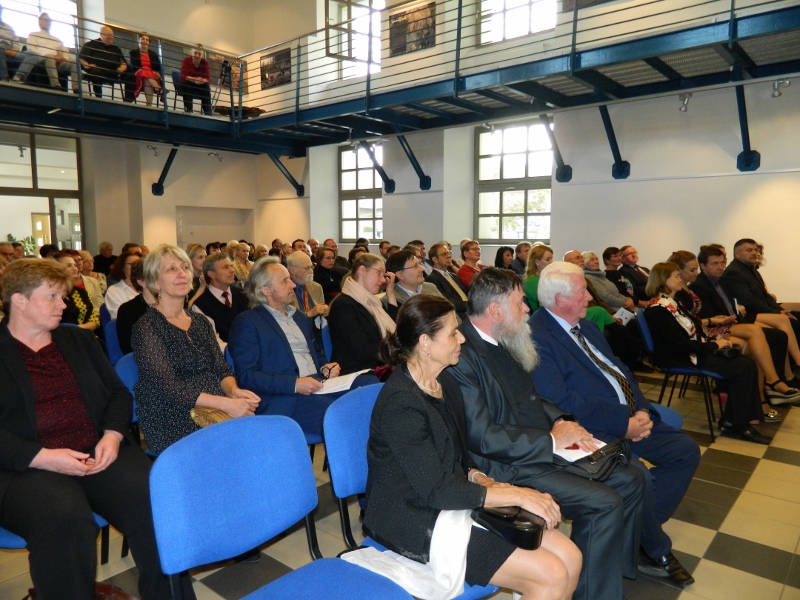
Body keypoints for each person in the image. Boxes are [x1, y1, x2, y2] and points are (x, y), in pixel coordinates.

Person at [362, 295, 581, 599]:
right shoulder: (402, 406)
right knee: (551, 575)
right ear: (425, 343)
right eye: (453, 332)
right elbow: (437, 491)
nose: (462, 338)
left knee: (571, 557)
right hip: (412, 516)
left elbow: (456, 456)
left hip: (448, 497)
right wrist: (518, 494)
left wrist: (479, 476)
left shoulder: (445, 382)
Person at [448, 267, 646, 600]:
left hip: (537, 446)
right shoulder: (462, 357)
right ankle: (593, 593)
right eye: (520, 302)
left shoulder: (504, 339)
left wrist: (564, 421)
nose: (527, 308)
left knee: (631, 478)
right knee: (604, 502)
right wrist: (552, 440)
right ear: (495, 310)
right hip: (506, 465)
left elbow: (533, 397)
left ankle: (606, 576)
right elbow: (481, 437)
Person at [0, 258, 190, 600]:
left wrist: (113, 436)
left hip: (96, 448)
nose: (63, 305)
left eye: (63, 297)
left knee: (157, 497)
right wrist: (43, 456)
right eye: (52, 297)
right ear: (19, 300)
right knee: (65, 519)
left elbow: (118, 393)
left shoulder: (78, 340)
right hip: (25, 465)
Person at [530, 261, 700, 587]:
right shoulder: (537, 336)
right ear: (560, 299)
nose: (589, 297)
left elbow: (620, 371)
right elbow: (561, 401)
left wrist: (644, 410)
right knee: (639, 478)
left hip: (629, 416)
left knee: (685, 450)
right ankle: (654, 547)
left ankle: (638, 531)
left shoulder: (586, 326)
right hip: (590, 428)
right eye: (582, 291)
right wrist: (624, 423)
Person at [132, 245, 259, 455]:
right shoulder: (147, 327)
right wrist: (227, 404)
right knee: (242, 446)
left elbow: (221, 369)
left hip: (213, 404)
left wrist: (233, 391)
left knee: (258, 439)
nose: (181, 274)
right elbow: (169, 387)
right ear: (155, 283)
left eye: (185, 267)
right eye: (171, 269)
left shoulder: (200, 321)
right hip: (171, 414)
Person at [229, 260, 378, 438]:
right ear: (265, 290)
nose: (293, 285)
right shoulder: (248, 322)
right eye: (284, 281)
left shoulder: (299, 317)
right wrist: (294, 384)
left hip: (317, 384)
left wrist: (325, 367)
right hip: (286, 397)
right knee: (342, 417)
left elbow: (316, 353)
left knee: (371, 386)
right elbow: (247, 375)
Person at [644, 262, 769, 444]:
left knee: (746, 362)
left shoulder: (673, 303)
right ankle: (739, 424)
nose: (680, 279)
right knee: (742, 366)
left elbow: (693, 329)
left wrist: (714, 340)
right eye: (676, 276)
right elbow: (677, 344)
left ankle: (732, 420)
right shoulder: (658, 309)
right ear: (663, 281)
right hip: (678, 357)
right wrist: (713, 346)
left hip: (688, 352)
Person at [671, 250, 795, 412]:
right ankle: (766, 389)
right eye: (692, 270)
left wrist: (724, 317)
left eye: (722, 263)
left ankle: (763, 394)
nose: (721, 267)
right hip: (706, 333)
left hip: (712, 327)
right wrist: (713, 320)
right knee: (754, 336)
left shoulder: (692, 289)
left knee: (761, 338)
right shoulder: (689, 290)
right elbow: (691, 323)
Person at [693, 244, 800, 396]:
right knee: (762, 333)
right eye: (715, 264)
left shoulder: (722, 281)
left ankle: (776, 382)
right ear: (703, 266)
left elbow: (736, 306)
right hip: (717, 328)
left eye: (722, 263)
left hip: (734, 321)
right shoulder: (699, 286)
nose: (720, 267)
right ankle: (772, 383)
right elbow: (711, 316)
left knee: (779, 336)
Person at [328, 253, 398, 374]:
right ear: (362, 270)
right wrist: (397, 350)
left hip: (378, 364)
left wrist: (390, 294)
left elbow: (394, 328)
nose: (383, 280)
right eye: (379, 273)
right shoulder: (343, 305)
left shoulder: (372, 302)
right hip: (359, 371)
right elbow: (363, 352)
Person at [191, 252, 248, 345]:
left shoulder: (244, 295)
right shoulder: (201, 306)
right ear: (211, 274)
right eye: (226, 267)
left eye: (231, 266)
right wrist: (238, 350)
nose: (232, 270)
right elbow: (212, 341)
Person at [12, 13, 78, 91]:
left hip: (57, 61)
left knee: (74, 62)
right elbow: (31, 49)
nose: (48, 22)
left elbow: (65, 52)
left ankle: (76, 89)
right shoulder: (34, 35)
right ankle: (56, 85)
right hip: (40, 59)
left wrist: (62, 58)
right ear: (39, 21)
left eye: (49, 21)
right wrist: (49, 56)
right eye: (46, 20)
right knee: (49, 58)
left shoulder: (56, 40)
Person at [78, 26, 134, 101]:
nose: (111, 37)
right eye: (108, 35)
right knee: (96, 71)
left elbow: (123, 62)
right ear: (101, 35)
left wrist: (122, 68)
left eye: (112, 35)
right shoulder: (91, 44)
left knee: (131, 75)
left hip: (114, 72)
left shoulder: (116, 48)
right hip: (98, 70)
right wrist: (87, 65)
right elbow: (81, 58)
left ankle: (128, 101)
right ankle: (99, 98)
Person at [52, 252, 100, 332]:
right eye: (69, 266)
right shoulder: (50, 295)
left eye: (74, 265)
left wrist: (80, 330)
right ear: (56, 269)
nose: (75, 268)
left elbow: (95, 320)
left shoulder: (82, 292)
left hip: (84, 333)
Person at [116, 260, 156, 355]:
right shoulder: (127, 310)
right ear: (141, 282)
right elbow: (129, 348)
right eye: (155, 276)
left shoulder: (171, 304)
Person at [426, 242, 469, 321]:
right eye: (444, 254)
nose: (449, 256)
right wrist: (470, 305)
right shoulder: (432, 279)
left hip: (469, 312)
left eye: (449, 253)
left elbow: (465, 294)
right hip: (457, 316)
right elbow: (447, 302)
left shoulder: (454, 276)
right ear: (435, 259)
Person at [104, 251, 142, 319]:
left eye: (139, 264)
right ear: (122, 267)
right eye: (133, 264)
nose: (137, 267)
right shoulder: (114, 290)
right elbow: (119, 316)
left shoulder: (147, 288)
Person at [129, 32, 162, 106]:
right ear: (139, 40)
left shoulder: (154, 54)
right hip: (138, 76)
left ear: (149, 43)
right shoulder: (133, 53)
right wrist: (148, 71)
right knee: (145, 68)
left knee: (147, 79)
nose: (145, 41)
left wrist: (156, 73)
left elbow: (158, 68)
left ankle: (149, 105)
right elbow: (134, 67)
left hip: (151, 78)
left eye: (147, 40)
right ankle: (157, 88)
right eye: (143, 39)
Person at [178, 46, 212, 115]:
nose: (197, 55)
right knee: (187, 84)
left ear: (202, 56)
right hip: (188, 83)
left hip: (200, 84)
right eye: (195, 53)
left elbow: (207, 78)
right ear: (192, 53)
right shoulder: (186, 60)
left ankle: (208, 112)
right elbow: (184, 76)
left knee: (206, 86)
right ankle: (189, 110)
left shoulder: (205, 63)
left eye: (199, 54)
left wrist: (201, 81)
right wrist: (195, 79)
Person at [523, 243, 553, 311]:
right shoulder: (533, 281)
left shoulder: (543, 278)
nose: (551, 262)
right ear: (537, 262)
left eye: (551, 259)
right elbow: (546, 305)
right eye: (547, 259)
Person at [0, 6, 22, 83]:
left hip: (11, 49)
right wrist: (4, 51)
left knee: (31, 54)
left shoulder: (9, 28)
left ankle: (18, 79)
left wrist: (14, 50)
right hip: (1, 48)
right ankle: (4, 78)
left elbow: (16, 43)